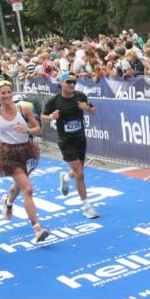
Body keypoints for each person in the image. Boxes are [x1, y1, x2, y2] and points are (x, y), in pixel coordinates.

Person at [0, 80, 49, 244]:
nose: (7, 95)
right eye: (3, 93)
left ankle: (8, 201)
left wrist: (28, 130)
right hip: (8, 154)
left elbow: (38, 128)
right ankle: (37, 228)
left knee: (20, 185)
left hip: (27, 151)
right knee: (28, 189)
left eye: (9, 92)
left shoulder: (23, 109)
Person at [42, 72, 100, 219]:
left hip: (80, 139)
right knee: (80, 173)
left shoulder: (80, 96)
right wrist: (51, 117)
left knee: (77, 170)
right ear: (61, 83)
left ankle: (66, 178)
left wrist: (87, 107)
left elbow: (94, 111)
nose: (72, 85)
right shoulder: (54, 101)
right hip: (65, 140)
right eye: (69, 82)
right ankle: (87, 206)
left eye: (74, 82)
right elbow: (43, 117)